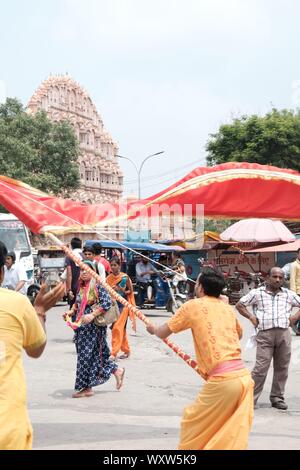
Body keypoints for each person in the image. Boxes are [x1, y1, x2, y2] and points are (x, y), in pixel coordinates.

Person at [147, 268, 254, 450]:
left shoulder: (192, 305)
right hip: (244, 378)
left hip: (224, 382)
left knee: (193, 424)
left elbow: (162, 332)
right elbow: (239, 334)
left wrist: (152, 328)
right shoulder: (226, 308)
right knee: (225, 431)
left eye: (196, 282)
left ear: (201, 288)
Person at [0, 241, 64, 450]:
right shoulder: (16, 303)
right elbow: (36, 349)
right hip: (8, 429)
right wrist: (39, 311)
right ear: (1, 272)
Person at [236, 267, 300, 410]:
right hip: (265, 335)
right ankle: (250, 398)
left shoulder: (288, 294)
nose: (277, 280)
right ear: (268, 278)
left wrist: (295, 317)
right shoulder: (257, 293)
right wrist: (251, 317)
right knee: (260, 368)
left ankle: (277, 397)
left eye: (280, 277)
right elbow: (240, 305)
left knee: (282, 368)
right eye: (275, 276)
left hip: (284, 334)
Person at [63, 260, 125, 398]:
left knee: (86, 357)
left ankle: (86, 387)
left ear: (93, 272)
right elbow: (78, 305)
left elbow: (106, 303)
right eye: (82, 269)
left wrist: (92, 314)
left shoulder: (98, 285)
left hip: (94, 327)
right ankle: (116, 370)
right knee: (92, 357)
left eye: (87, 269)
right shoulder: (80, 286)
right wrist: (71, 313)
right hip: (82, 328)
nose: (84, 272)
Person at [106, 257, 136, 360]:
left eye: (115, 265)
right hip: (113, 306)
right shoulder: (108, 278)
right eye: (112, 265)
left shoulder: (124, 277)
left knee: (116, 328)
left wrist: (122, 290)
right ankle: (126, 350)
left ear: (119, 265)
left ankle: (114, 353)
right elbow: (105, 292)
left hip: (123, 305)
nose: (113, 267)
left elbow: (130, 291)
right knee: (121, 329)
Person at [65, 237, 83, 310]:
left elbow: (69, 275)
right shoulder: (86, 255)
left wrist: (69, 290)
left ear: (72, 246)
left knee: (73, 309)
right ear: (81, 245)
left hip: (74, 287)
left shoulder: (69, 257)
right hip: (85, 287)